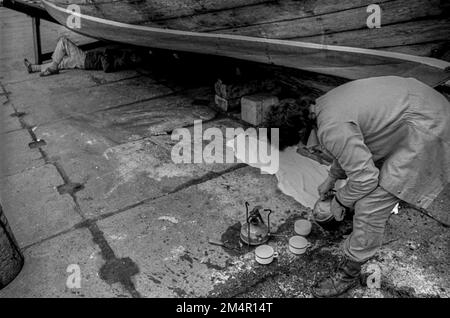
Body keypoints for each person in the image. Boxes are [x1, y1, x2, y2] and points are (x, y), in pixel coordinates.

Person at [264, 76, 450, 297]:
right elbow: (353, 143)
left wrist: (340, 200)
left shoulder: (331, 129)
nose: (307, 148)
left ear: (300, 132)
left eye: (302, 144)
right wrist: (332, 178)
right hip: (416, 104)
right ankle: (356, 224)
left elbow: (366, 179)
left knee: (372, 204)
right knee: (364, 184)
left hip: (429, 128)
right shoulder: (323, 106)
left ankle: (348, 273)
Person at [24, 36, 143, 76]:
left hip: (85, 59)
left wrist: (104, 55)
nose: (132, 56)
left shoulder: (122, 62)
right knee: (62, 62)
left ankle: (54, 65)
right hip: (84, 61)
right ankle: (33, 68)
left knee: (64, 41)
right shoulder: (124, 57)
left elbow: (107, 67)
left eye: (134, 57)